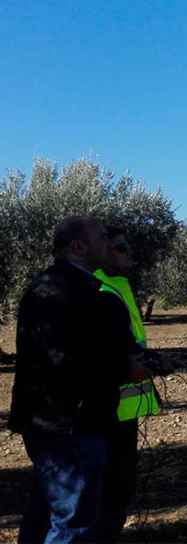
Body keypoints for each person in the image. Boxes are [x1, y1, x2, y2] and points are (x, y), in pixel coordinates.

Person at [8, 216, 145, 543]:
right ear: (78, 246)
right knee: (75, 522)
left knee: (49, 510)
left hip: (48, 422)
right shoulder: (77, 292)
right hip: (73, 425)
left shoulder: (48, 285)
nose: (108, 245)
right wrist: (130, 369)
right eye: (101, 238)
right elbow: (68, 362)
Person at [93, 227, 171, 539]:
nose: (130, 253)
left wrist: (148, 358)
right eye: (121, 248)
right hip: (105, 406)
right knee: (109, 487)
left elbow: (128, 342)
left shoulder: (119, 286)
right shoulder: (100, 288)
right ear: (102, 250)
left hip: (124, 404)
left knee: (118, 484)